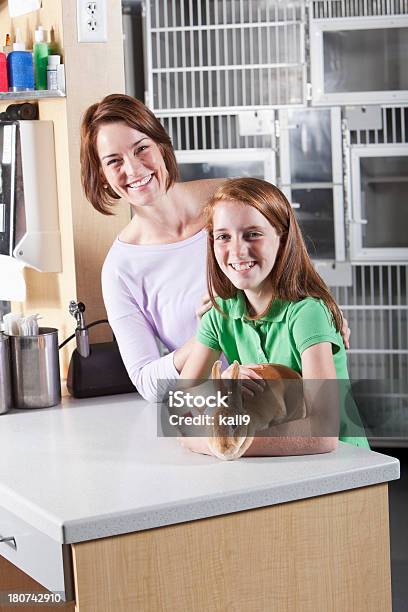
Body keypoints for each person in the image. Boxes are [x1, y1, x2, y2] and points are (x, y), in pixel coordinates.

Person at [80, 93, 351, 408]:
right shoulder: (120, 269)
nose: (134, 168)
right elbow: (148, 384)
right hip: (223, 410)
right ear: (101, 175)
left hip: (298, 391)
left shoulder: (226, 200)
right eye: (114, 161)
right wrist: (216, 329)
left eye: (142, 148)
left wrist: (323, 306)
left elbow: (290, 255)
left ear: (161, 146)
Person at [179, 178, 369, 456]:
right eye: (223, 236)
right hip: (275, 461)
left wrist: (222, 442)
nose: (237, 250)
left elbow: (324, 434)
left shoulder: (308, 313)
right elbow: (177, 406)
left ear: (282, 238)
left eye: (253, 233)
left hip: (343, 465)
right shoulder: (219, 313)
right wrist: (221, 387)